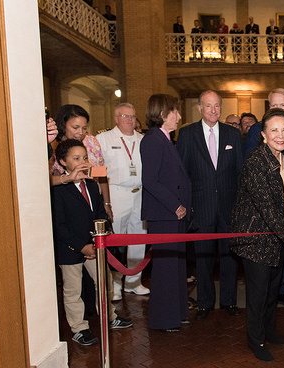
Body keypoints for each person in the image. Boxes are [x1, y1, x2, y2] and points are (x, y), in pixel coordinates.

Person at [230, 108, 284, 361]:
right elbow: (267, 209)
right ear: (263, 134)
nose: (280, 135)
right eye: (274, 130)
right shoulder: (256, 162)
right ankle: (256, 340)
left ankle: (269, 330)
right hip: (255, 237)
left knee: (273, 288)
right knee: (258, 292)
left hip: (277, 236)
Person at [51, 139, 132, 346]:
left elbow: (100, 214)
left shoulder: (91, 185)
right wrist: (81, 246)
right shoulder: (58, 190)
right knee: (73, 289)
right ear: (62, 162)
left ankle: (109, 316)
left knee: (103, 282)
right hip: (71, 248)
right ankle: (79, 328)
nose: (82, 162)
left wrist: (97, 241)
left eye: (85, 157)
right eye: (76, 158)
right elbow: (59, 225)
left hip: (94, 246)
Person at [177, 91, 243, 320]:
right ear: (199, 108)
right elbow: (182, 174)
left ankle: (229, 301)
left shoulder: (233, 135)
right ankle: (204, 302)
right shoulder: (187, 134)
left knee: (229, 257)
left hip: (228, 207)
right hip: (201, 207)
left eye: (217, 106)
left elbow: (240, 172)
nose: (213, 110)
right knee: (203, 257)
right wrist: (187, 205)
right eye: (208, 106)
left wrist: (240, 206)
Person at [140, 94, 191, 332]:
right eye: (175, 112)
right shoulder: (152, 140)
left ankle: (177, 313)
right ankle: (164, 319)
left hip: (174, 215)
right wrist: (175, 205)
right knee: (166, 268)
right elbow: (150, 180)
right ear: (162, 114)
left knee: (177, 266)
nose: (179, 116)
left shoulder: (165, 139)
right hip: (165, 214)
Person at [96, 103, 149, 300]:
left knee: (139, 238)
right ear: (116, 118)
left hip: (140, 194)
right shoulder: (103, 139)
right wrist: (105, 202)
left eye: (133, 116)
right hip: (116, 192)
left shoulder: (143, 139)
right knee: (116, 239)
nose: (130, 119)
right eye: (125, 116)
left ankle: (134, 282)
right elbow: (98, 171)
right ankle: (115, 284)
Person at [51, 105, 112, 220]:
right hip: (65, 203)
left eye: (84, 128)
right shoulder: (52, 146)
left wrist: (107, 203)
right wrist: (66, 178)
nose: (80, 132)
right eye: (75, 127)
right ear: (63, 126)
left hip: (91, 198)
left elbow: (101, 175)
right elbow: (44, 181)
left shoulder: (91, 141)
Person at [243, 89, 284, 159]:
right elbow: (249, 158)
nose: (278, 109)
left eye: (283, 105)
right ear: (269, 107)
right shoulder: (257, 129)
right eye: (274, 105)